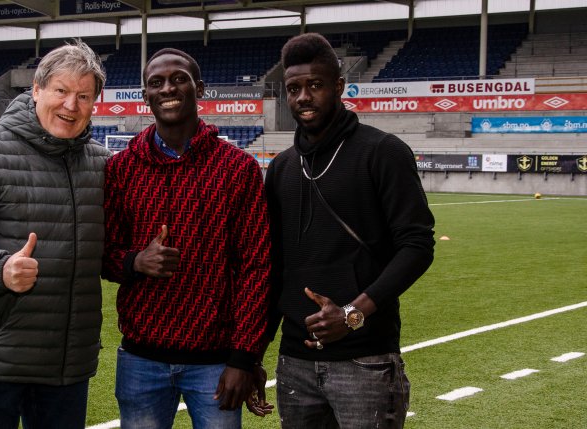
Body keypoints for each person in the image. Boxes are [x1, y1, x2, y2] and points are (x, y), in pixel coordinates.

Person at [0, 39, 110, 429]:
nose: (70, 105)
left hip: (65, 367)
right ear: (37, 90)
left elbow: (110, 250)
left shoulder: (103, 165)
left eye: (83, 95)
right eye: (60, 91)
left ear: (95, 102)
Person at [264, 33, 436, 429]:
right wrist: (253, 354)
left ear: (339, 87)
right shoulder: (282, 168)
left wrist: (353, 314)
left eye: (315, 85)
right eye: (294, 89)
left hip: (366, 361)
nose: (303, 97)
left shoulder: (383, 152)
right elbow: (274, 266)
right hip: (295, 364)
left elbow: (416, 245)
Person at [102, 48, 273, 428]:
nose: (168, 88)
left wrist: (244, 358)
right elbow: (105, 255)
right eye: (156, 83)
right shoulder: (120, 169)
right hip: (140, 359)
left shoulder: (238, 168)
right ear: (145, 95)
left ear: (199, 88)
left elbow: (257, 268)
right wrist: (135, 262)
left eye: (178, 79)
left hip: (216, 362)